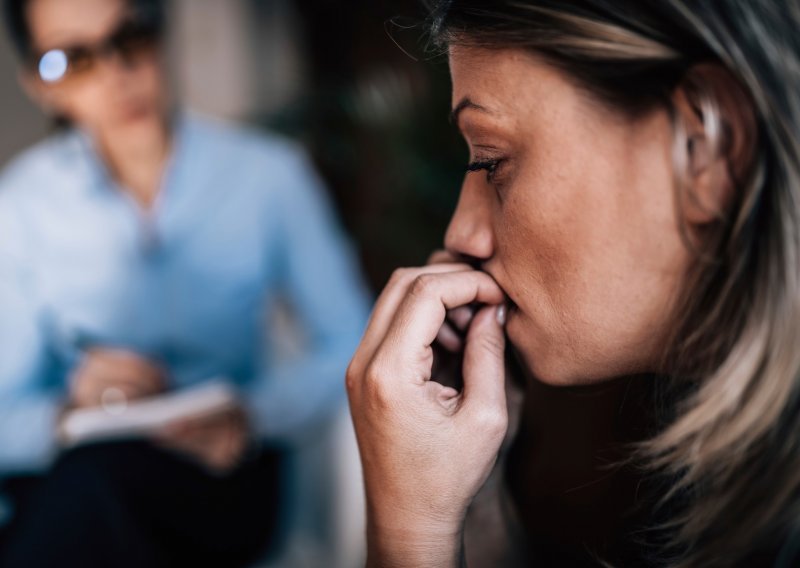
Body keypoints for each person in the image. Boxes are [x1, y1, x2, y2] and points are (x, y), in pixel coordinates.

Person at [347, 0, 800, 566]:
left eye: (491, 160)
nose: (462, 235)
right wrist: (463, 505)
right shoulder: (685, 469)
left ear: (707, 143)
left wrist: (409, 537)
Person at [0, 0, 370, 566]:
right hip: (77, 477)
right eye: (72, 59)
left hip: (219, 476)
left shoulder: (268, 175)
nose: (117, 74)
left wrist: (253, 414)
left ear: (160, 35)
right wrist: (69, 412)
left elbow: (352, 340)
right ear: (38, 85)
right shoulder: (22, 206)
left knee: (86, 497)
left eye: (130, 38)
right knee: (88, 486)